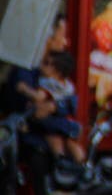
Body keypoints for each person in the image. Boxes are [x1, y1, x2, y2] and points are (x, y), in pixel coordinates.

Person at [2, 13, 70, 195]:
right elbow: (34, 111)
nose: (65, 42)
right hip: (32, 147)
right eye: (63, 35)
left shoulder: (55, 69)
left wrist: (56, 107)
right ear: (48, 36)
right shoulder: (27, 69)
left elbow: (69, 100)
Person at [36, 50, 85, 164]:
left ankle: (61, 163)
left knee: (52, 138)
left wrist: (24, 89)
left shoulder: (48, 83)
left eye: (47, 63)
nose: (42, 65)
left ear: (57, 71)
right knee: (71, 143)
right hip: (67, 122)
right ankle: (83, 166)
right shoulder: (68, 85)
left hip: (54, 121)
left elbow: (39, 96)